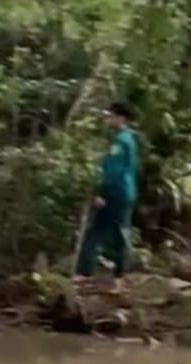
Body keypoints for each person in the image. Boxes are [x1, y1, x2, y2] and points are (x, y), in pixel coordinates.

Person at [76, 101, 139, 291]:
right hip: (123, 192)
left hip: (116, 193)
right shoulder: (126, 139)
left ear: (120, 118)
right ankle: (116, 275)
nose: (107, 119)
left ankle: (87, 273)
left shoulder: (120, 142)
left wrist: (102, 194)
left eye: (110, 116)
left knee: (100, 233)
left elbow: (113, 172)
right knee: (115, 233)